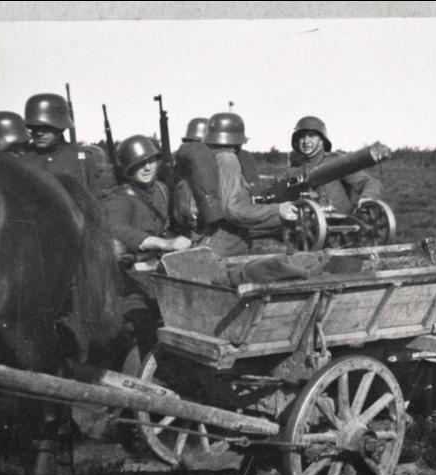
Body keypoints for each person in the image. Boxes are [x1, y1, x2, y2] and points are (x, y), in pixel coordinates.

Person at [102, 134, 191, 357]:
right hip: (129, 280)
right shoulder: (119, 198)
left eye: (150, 160)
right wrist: (163, 243)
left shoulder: (161, 189)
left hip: (159, 275)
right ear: (127, 169)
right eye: (138, 164)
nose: (147, 167)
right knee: (142, 327)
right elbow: (116, 229)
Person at [198, 112, 297, 257]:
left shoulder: (209, 157)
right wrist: (277, 211)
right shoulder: (227, 159)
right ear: (238, 139)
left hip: (209, 239)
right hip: (224, 244)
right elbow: (232, 209)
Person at [20, 93, 112, 199]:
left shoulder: (83, 160)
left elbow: (97, 200)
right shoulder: (23, 161)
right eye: (34, 127)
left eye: (46, 127)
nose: (39, 133)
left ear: (60, 128)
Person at [288, 116, 384, 214]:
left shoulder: (336, 163)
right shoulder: (293, 171)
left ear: (322, 139)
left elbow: (370, 182)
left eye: (312, 135)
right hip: (305, 227)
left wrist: (367, 198)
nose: (306, 141)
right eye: (302, 136)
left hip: (342, 226)